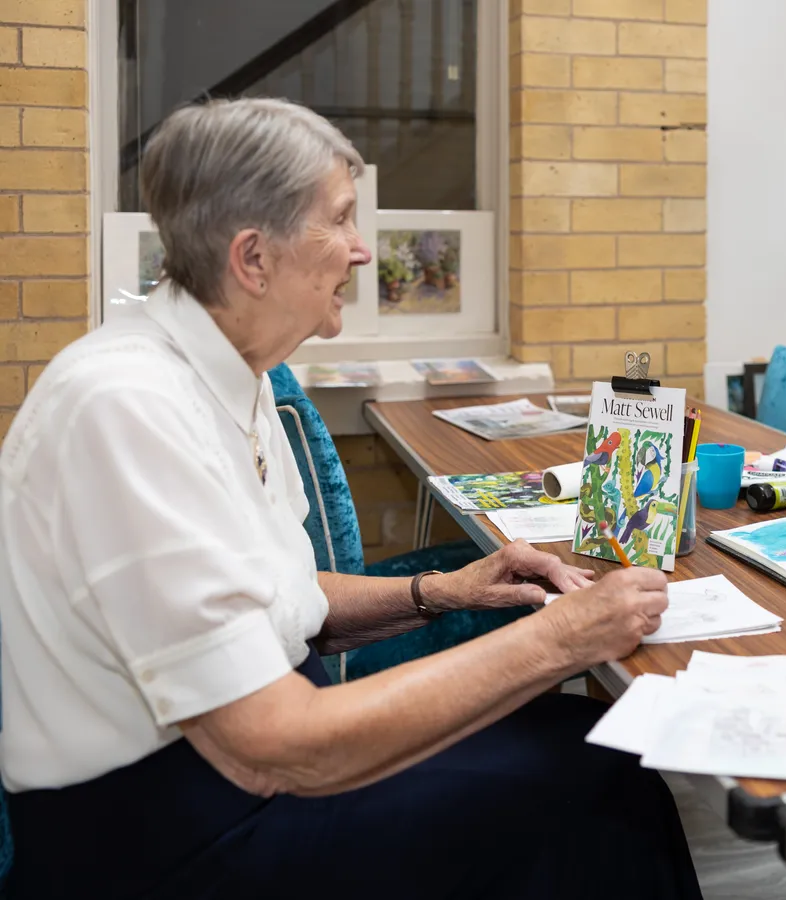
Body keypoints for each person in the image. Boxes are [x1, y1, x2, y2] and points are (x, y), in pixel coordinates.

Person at [0, 98, 701, 899]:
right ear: (254, 260)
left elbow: (277, 596)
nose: (364, 252)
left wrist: (441, 592)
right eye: (339, 220)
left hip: (233, 776)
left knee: (597, 743)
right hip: (162, 840)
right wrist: (561, 642)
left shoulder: (232, 367)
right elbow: (273, 749)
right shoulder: (124, 406)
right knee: (598, 792)